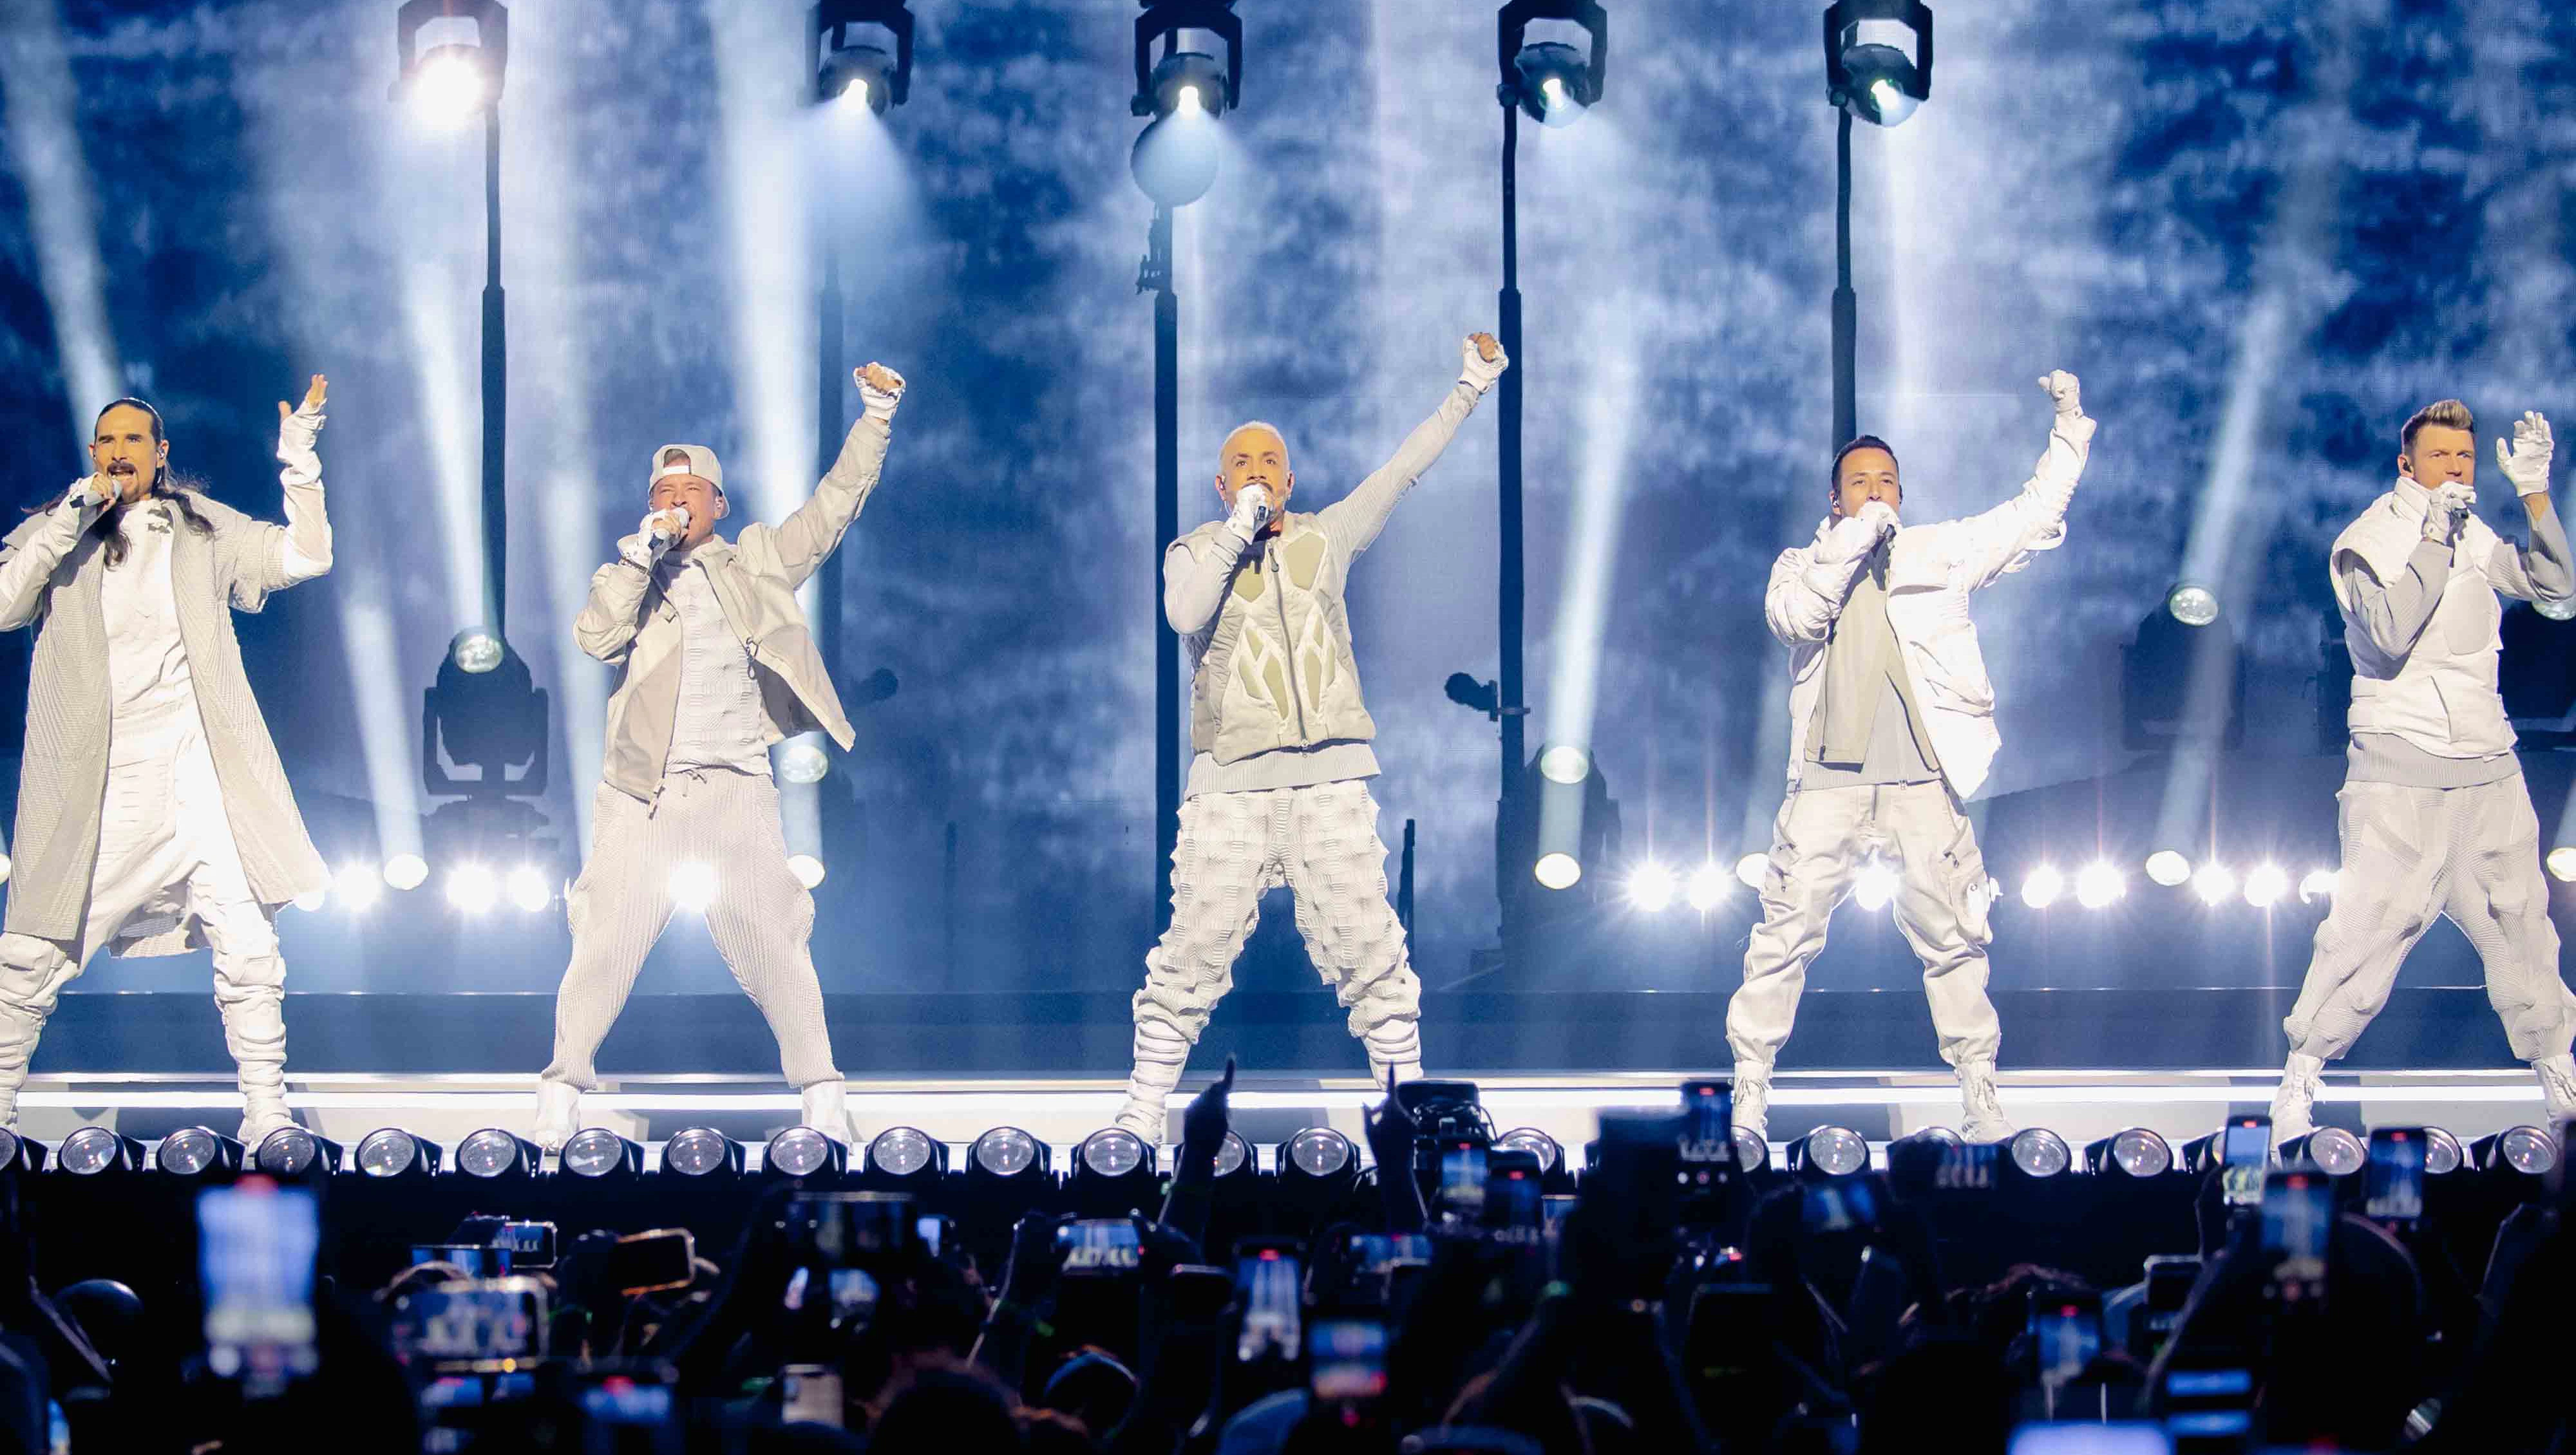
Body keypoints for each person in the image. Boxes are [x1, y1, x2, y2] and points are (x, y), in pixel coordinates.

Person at [1111, 333, 1511, 1139]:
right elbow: (1183, 615)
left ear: (1290, 479)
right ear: (1220, 483)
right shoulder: (1193, 551)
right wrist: (1234, 533)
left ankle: (1407, 1119)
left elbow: (1403, 468)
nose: (1257, 470)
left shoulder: (1325, 538)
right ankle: (1141, 1111)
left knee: (1370, 948)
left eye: (1270, 462)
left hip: (1330, 779)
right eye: (1242, 463)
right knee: (1192, 952)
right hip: (1231, 786)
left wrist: (1469, 385)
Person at [533, 363, 906, 1150]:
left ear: (718, 505)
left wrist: (874, 418)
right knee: (603, 937)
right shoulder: (625, 576)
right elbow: (595, 636)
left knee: (776, 935)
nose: (673, 504)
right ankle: (561, 1090)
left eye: (688, 492)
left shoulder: (757, 561)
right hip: (644, 793)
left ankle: (823, 1097)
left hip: (737, 785)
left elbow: (833, 509)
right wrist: (641, 558)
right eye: (661, 494)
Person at [1729, 372, 2094, 1142]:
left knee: (1955, 940)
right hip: (1827, 782)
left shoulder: (1939, 553)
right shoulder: (1800, 564)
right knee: (1783, 936)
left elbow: (2032, 513)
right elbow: (1796, 621)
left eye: (1887, 480)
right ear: (1835, 499)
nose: (1876, 490)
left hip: (1923, 782)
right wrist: (1850, 542)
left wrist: (2069, 425)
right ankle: (1748, 1092)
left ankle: (1980, 1094)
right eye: (1859, 482)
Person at [0, 382, 335, 1144]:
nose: (120, 453)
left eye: (134, 441)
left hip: (199, 774)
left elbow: (305, 556)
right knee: (30, 956)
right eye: (106, 441)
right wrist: (69, 518)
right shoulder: (60, 532)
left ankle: (267, 1118)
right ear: (93, 455)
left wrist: (300, 460)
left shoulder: (200, 529)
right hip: (101, 782)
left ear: (161, 455)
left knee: (250, 947)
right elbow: (4, 605)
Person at [2270, 402, 2576, 1142]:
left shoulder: (2474, 534)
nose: (2457, 470)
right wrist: (2434, 534)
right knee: (2364, 933)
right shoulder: (2367, 538)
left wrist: (2536, 496)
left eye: (2465, 459)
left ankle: (2558, 1075)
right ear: (2407, 465)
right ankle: (2298, 1084)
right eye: (2441, 458)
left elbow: (2557, 592)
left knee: (2524, 929)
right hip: (2397, 773)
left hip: (2487, 767)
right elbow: (2389, 631)